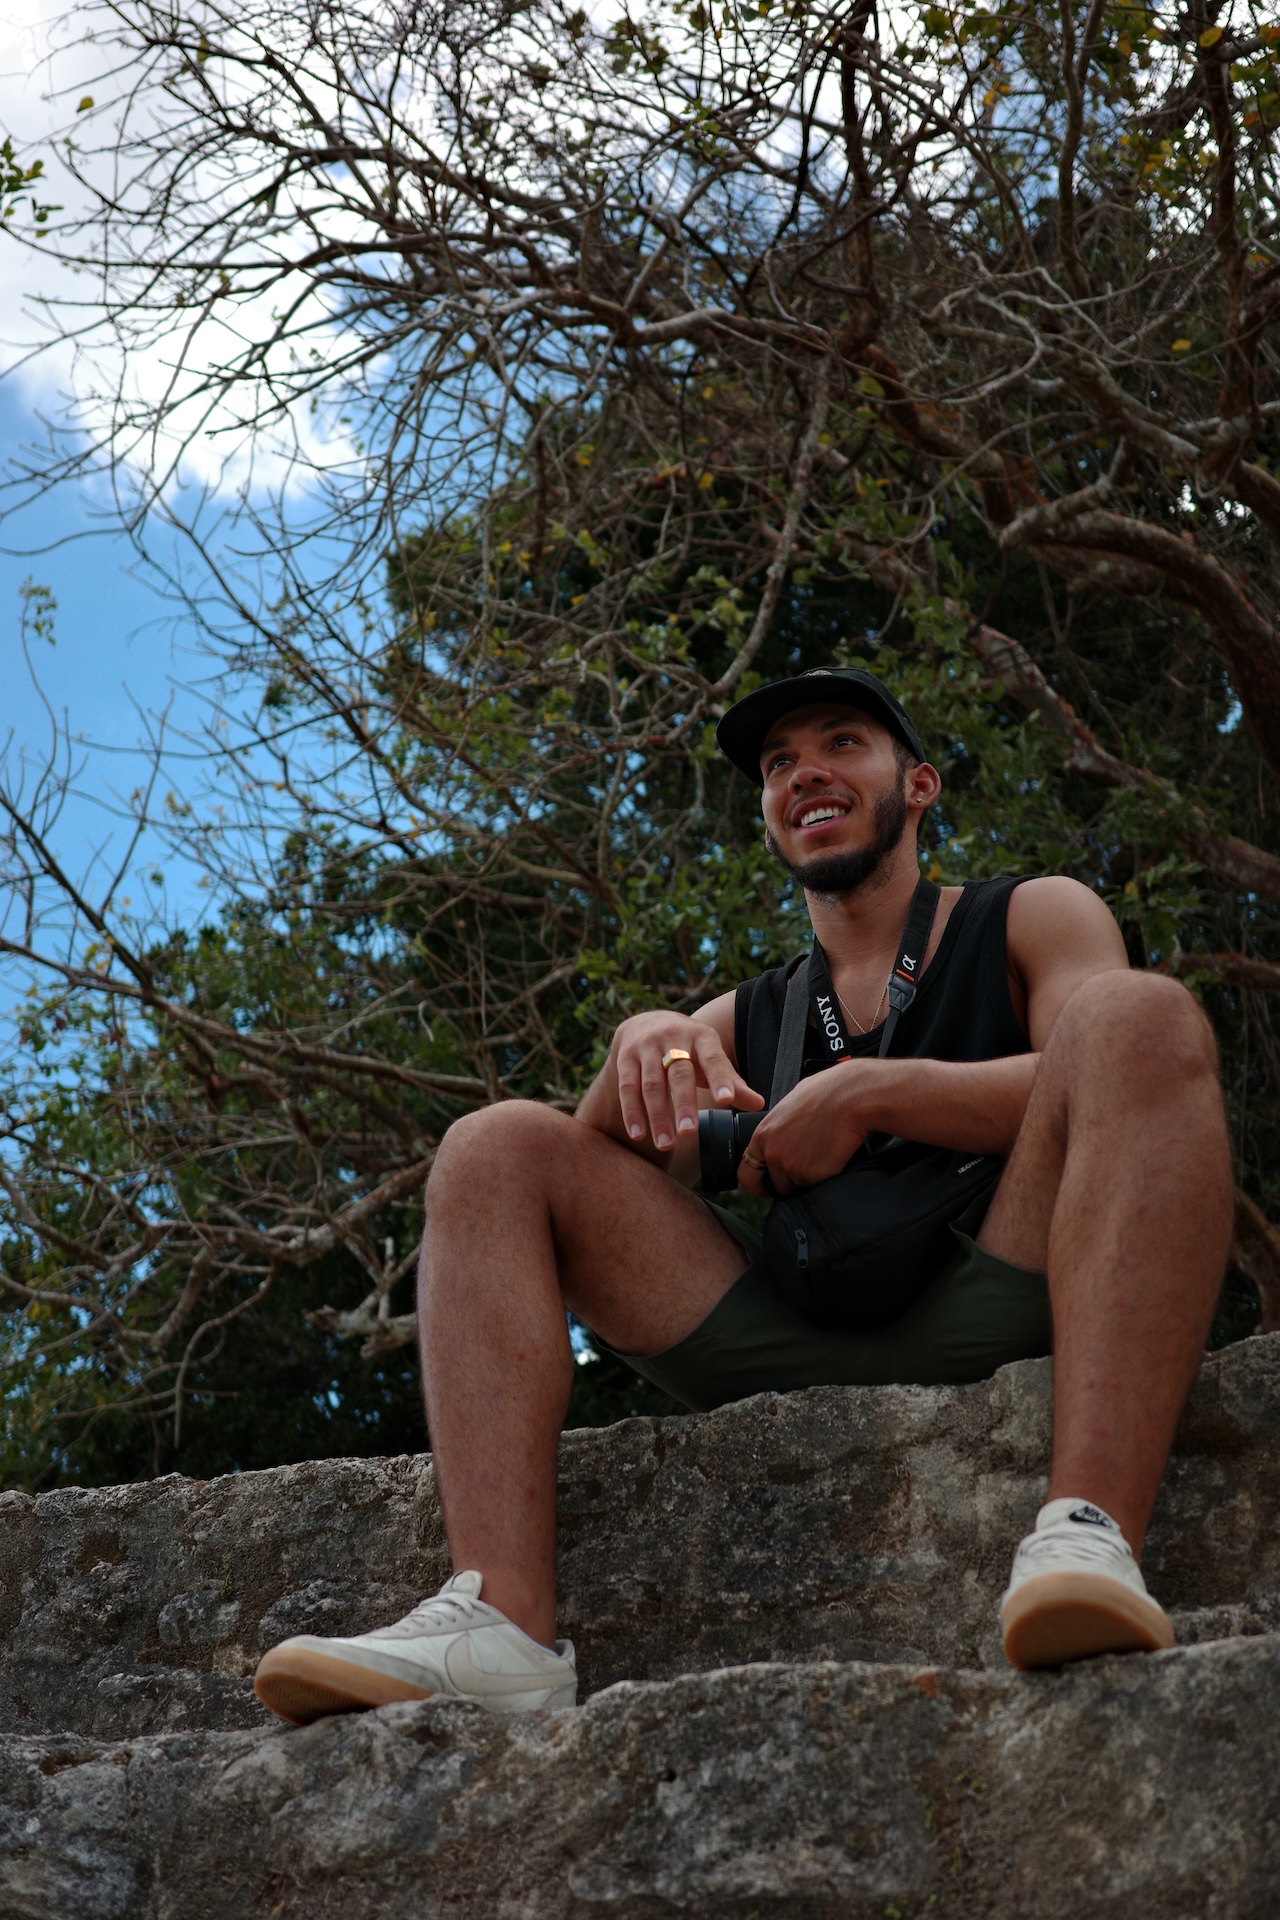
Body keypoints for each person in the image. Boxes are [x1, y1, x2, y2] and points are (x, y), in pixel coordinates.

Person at [254, 668, 1233, 1724]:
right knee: (489, 1145)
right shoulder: (749, 1012)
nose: (804, 771)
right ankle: (502, 1626)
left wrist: (867, 1094)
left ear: (920, 784)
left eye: (842, 741)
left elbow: (1118, 1068)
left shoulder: (1026, 916)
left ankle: (1083, 1533)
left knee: (1140, 1012)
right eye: (776, 764)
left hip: (1000, 1281)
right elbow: (566, 1189)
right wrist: (641, 1034)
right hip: (784, 1331)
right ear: (769, 816)